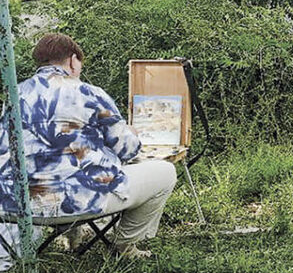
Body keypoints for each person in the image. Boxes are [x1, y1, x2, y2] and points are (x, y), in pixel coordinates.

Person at [0, 33, 177, 258]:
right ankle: (124, 247)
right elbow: (127, 149)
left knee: (65, 160)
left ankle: (73, 239)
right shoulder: (88, 93)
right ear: (73, 60)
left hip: (19, 205)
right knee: (165, 172)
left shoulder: (14, 96)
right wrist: (130, 134)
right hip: (76, 203)